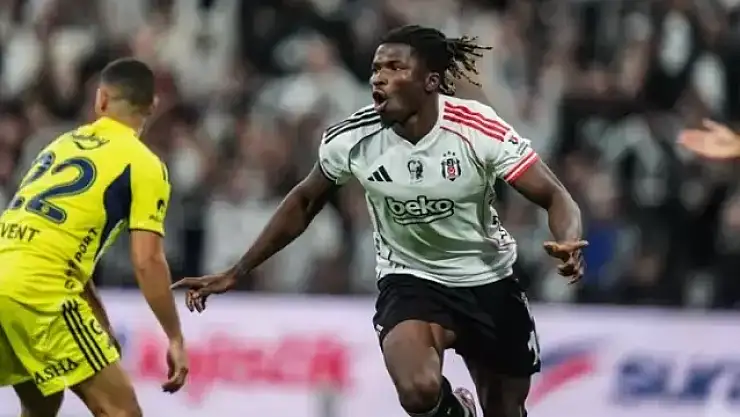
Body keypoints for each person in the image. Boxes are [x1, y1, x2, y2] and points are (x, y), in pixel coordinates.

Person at [173, 25, 585, 417]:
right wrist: (237, 270)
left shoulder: (476, 128)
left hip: (487, 281)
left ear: (430, 81)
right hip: (411, 280)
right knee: (417, 389)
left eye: (394, 68)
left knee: (505, 411)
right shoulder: (352, 138)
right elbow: (304, 200)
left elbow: (555, 195)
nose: (379, 78)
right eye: (375, 69)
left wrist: (568, 240)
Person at [0, 58, 189, 417]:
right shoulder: (144, 164)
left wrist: (100, 322)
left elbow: (51, 244)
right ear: (152, 106)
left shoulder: (59, 145)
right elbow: (147, 261)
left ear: (100, 99)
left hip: (6, 270)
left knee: (42, 402)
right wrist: (175, 336)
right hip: (40, 291)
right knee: (122, 412)